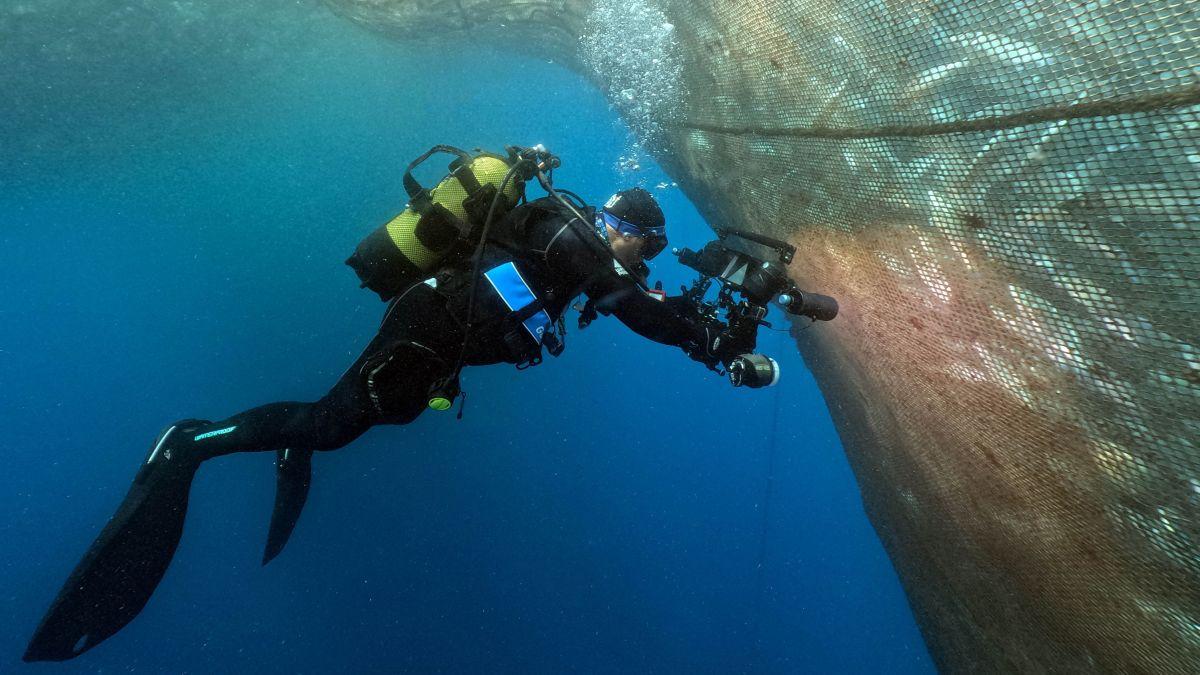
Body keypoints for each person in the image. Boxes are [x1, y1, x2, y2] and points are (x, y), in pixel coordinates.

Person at [24, 184, 748, 662]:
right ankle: (191, 443)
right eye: (647, 245)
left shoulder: (570, 240)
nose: (644, 258)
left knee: (367, 418)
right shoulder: (574, 238)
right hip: (425, 331)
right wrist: (701, 339)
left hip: (436, 340)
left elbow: (632, 300)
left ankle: (290, 444)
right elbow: (631, 307)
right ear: (626, 229)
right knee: (333, 422)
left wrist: (697, 320)